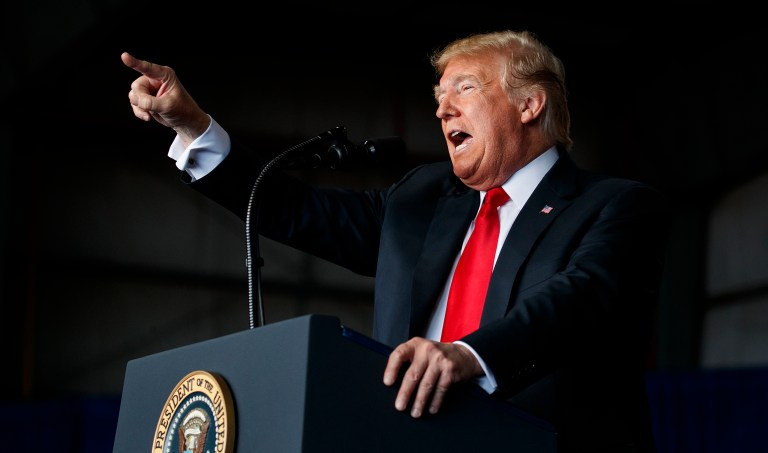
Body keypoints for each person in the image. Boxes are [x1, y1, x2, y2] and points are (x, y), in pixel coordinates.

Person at [122, 29, 668, 452]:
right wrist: (193, 127)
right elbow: (295, 209)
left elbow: (579, 298)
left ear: (530, 105)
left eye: (465, 89)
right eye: (438, 97)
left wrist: (467, 355)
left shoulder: (614, 205)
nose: (441, 109)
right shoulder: (421, 200)